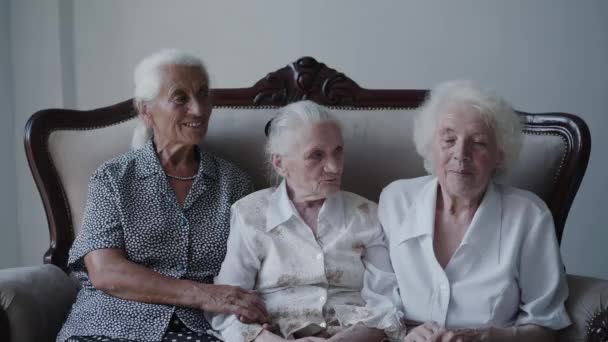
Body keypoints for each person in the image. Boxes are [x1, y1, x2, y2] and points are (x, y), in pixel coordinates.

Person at [57, 49, 268, 342]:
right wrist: (204, 294)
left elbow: (259, 265)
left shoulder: (235, 184)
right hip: (109, 325)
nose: (198, 109)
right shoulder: (113, 179)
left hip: (199, 330)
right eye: (180, 98)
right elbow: (105, 271)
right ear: (146, 111)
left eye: (203, 94)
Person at [378, 81, 571, 342]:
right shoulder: (396, 201)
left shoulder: (529, 217)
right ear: (430, 145)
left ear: (499, 155)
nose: (461, 153)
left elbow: (548, 326)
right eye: (448, 139)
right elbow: (377, 300)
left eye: (478, 143)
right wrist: (406, 333)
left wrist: (490, 338)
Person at [211, 100, 405, 342]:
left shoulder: (367, 214)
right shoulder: (250, 215)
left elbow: (387, 301)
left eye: (338, 151)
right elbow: (228, 305)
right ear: (280, 163)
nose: (334, 167)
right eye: (316, 155)